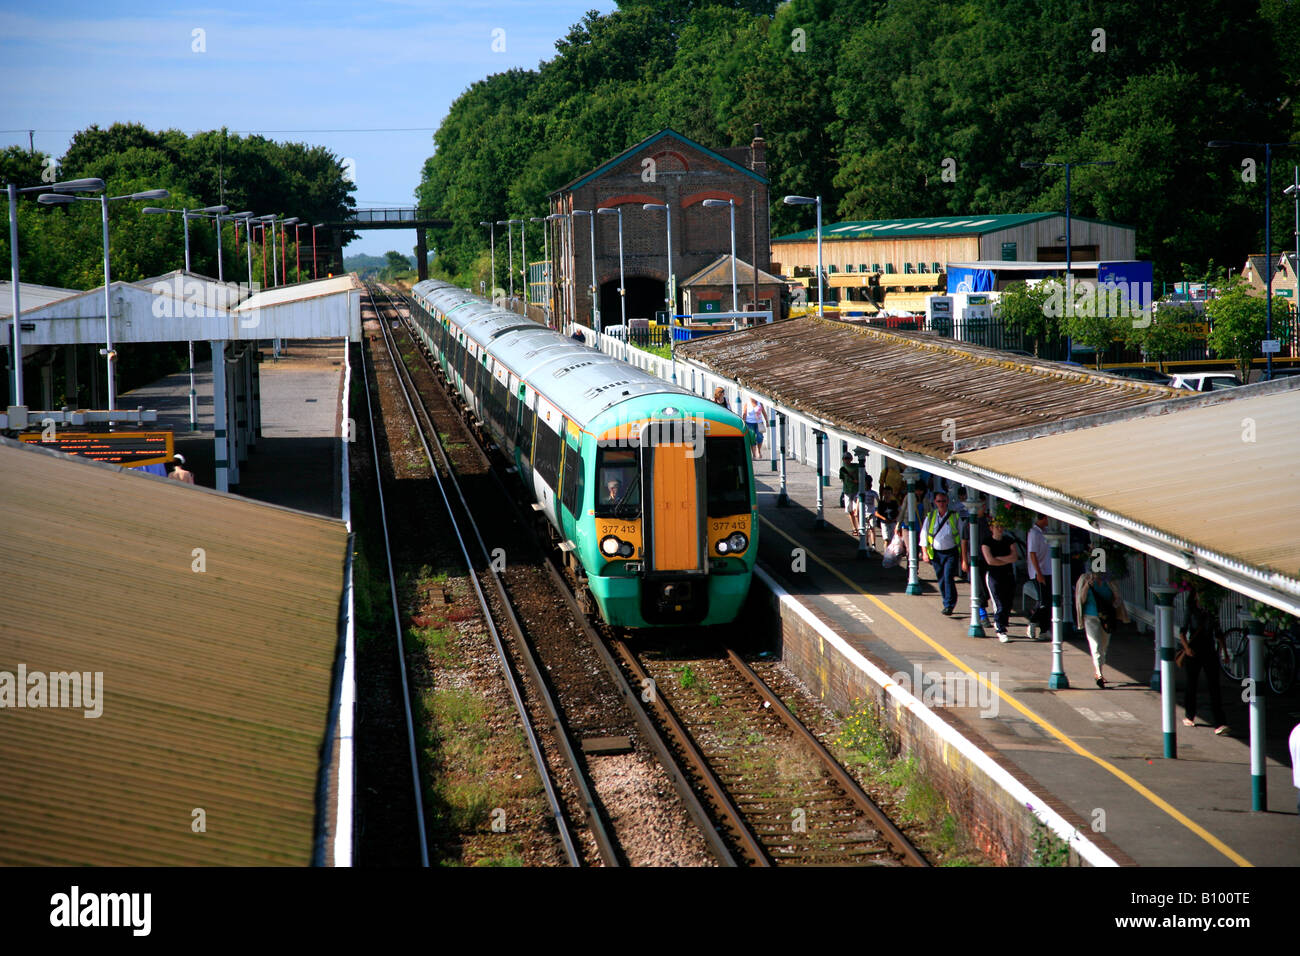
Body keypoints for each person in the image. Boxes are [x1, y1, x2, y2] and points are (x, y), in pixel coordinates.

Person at [1177, 588, 1227, 732]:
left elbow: (1218, 632)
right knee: (1191, 684)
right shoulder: (1191, 609)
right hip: (1194, 650)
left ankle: (1220, 722)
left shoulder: (1212, 610)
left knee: (1214, 685)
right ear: (1195, 595)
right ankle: (1189, 715)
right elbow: (1182, 631)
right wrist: (1186, 648)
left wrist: (1224, 651)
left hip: (1209, 649)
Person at [1075, 570, 1129, 687]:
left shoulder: (1110, 580)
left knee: (1103, 646)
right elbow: (1081, 600)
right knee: (1096, 645)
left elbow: (1117, 599)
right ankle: (1099, 674)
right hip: (1090, 617)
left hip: (1106, 618)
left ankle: (1098, 670)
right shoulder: (1085, 579)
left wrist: (1112, 607)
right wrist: (1087, 586)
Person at [922, 491, 966, 616]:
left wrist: (963, 558)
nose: (941, 503)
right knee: (941, 578)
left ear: (947, 501)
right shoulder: (931, 516)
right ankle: (946, 601)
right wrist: (925, 553)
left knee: (948, 576)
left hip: (951, 552)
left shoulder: (954, 516)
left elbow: (962, 536)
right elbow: (924, 535)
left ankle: (949, 604)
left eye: (943, 501)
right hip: (936, 553)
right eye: (938, 501)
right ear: (935, 502)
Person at [982, 518, 1020, 642]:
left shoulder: (1009, 540)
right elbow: (990, 560)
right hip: (994, 576)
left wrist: (999, 559)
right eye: (997, 526)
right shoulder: (987, 542)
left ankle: (1002, 622)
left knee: (1008, 602)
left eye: (1001, 526)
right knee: (999, 604)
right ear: (991, 528)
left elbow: (1014, 557)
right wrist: (1005, 560)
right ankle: (1000, 629)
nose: (999, 529)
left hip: (1008, 575)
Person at [1025, 514, 1052, 640]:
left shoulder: (1046, 531)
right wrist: (1038, 573)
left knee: (1049, 601)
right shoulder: (1034, 533)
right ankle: (1032, 620)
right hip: (1039, 572)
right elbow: (1032, 554)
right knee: (1043, 602)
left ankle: (1044, 630)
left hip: (1049, 570)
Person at [838, 452, 860, 534]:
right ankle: (854, 527)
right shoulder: (842, 469)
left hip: (856, 491)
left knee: (856, 510)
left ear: (851, 459)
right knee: (850, 510)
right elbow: (843, 480)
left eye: (848, 458)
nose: (846, 460)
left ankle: (859, 527)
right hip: (847, 491)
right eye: (845, 459)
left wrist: (858, 481)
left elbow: (863, 475)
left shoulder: (857, 466)